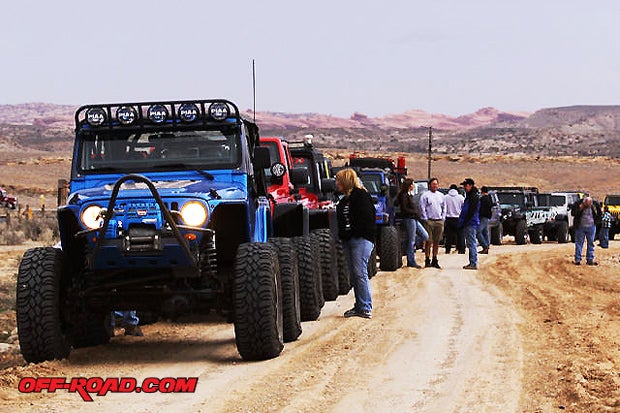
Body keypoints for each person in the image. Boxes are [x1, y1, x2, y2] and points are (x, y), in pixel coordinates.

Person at [336, 168, 376, 319]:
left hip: (361, 239)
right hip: (349, 240)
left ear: (346, 181)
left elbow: (366, 220)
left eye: (338, 180)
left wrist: (354, 232)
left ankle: (365, 307)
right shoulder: (345, 199)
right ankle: (359, 305)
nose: (336, 183)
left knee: (360, 273)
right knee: (354, 274)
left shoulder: (361, 196)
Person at [419, 177, 446, 268]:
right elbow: (422, 207)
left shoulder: (441, 195)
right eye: (433, 184)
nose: (435, 186)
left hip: (438, 220)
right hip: (429, 221)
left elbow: (444, 207)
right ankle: (427, 259)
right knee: (428, 241)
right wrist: (425, 218)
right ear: (429, 185)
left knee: (436, 241)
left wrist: (443, 218)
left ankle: (435, 258)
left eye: (436, 184)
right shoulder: (425, 195)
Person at [396, 178, 422, 268]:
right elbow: (404, 208)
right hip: (409, 219)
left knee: (424, 235)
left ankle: (405, 246)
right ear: (409, 185)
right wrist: (414, 212)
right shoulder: (404, 195)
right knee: (411, 241)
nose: (414, 185)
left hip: (414, 219)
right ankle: (411, 261)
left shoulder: (409, 194)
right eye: (413, 184)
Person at [571, 196, 601, 265]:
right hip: (580, 227)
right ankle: (577, 259)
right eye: (586, 205)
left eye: (589, 205)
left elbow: (599, 214)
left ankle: (590, 259)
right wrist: (580, 208)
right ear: (584, 202)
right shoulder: (578, 203)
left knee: (591, 243)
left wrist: (596, 223)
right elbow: (573, 213)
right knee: (579, 243)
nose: (588, 206)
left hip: (591, 227)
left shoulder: (595, 204)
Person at [458, 178, 480, 270]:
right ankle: (472, 262)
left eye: (465, 185)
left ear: (470, 185)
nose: (464, 187)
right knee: (471, 243)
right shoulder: (470, 196)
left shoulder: (473, 197)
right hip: (469, 222)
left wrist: (465, 221)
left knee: (471, 243)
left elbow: (471, 211)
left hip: (471, 223)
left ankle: (473, 263)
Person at [444, 184, 464, 254]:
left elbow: (444, 208)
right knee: (460, 234)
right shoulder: (460, 197)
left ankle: (447, 249)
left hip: (449, 218)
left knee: (448, 235)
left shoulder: (446, 197)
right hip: (458, 218)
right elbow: (463, 207)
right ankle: (461, 249)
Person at [477, 186, 492, 254]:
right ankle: (487, 245)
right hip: (488, 216)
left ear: (482, 191)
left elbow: (480, 208)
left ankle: (484, 246)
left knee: (478, 231)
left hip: (483, 216)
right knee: (485, 231)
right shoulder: (489, 198)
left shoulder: (482, 198)